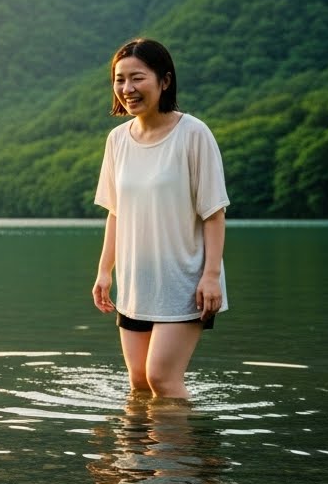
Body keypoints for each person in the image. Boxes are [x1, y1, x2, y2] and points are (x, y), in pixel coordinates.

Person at [91, 38, 229, 399]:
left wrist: (211, 276)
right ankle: (144, 457)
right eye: (119, 80)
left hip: (185, 281)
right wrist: (105, 271)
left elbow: (214, 212)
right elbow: (116, 212)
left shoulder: (193, 134)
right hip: (136, 281)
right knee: (138, 384)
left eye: (137, 78)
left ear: (164, 81)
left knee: (162, 380)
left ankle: (186, 457)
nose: (127, 89)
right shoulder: (118, 140)